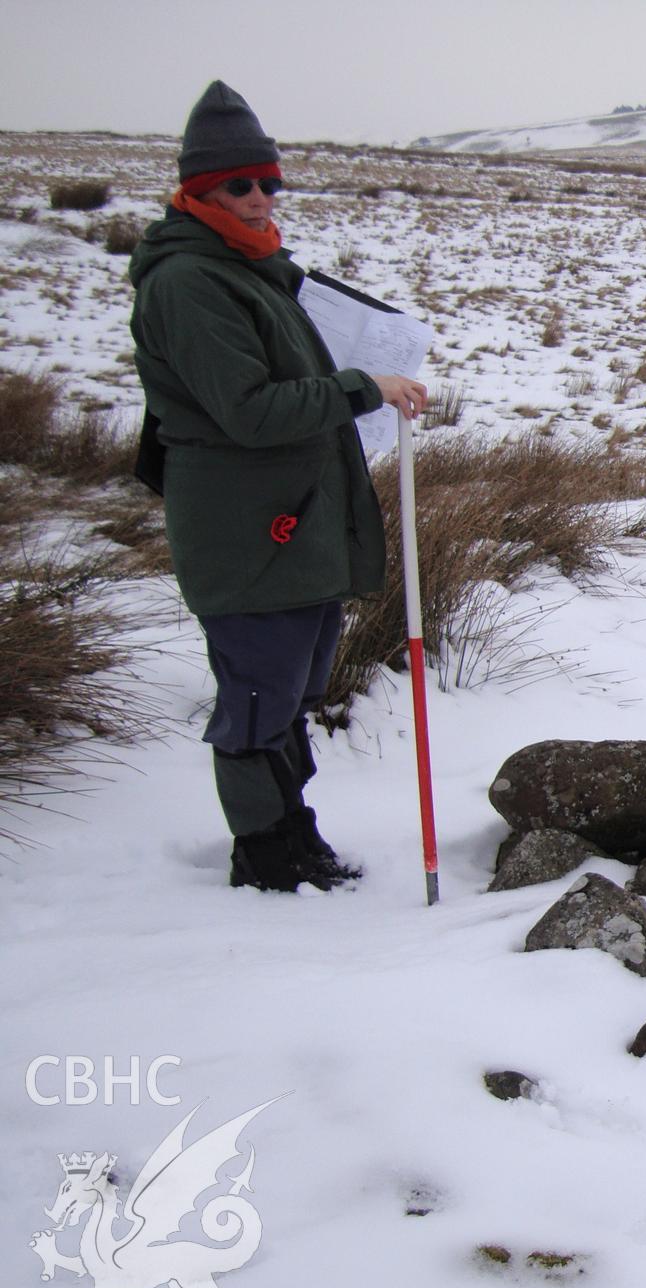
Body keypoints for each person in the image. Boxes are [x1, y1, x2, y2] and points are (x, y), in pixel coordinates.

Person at [128, 80, 427, 893]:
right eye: (238, 185)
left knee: (287, 695)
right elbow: (251, 411)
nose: (259, 198)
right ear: (196, 191)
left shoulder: (251, 268)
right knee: (258, 700)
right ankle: (265, 857)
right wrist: (363, 387)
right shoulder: (190, 284)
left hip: (289, 523)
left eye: (268, 183)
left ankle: (295, 835)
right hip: (248, 529)